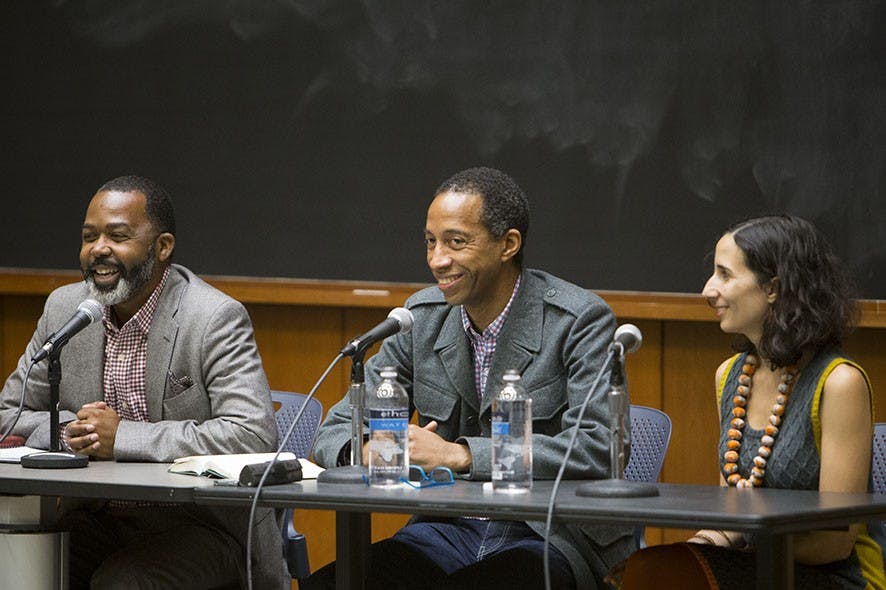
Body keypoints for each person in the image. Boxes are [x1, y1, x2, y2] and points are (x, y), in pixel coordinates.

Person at [305, 167, 634, 590]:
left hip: (545, 532)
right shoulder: (419, 319)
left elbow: (598, 447)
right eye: (431, 242)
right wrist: (372, 449)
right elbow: (334, 431)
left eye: (456, 242)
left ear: (508, 245)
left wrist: (461, 455)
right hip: (446, 528)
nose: (437, 260)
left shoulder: (577, 320)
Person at [0, 175, 288, 589]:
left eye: (117, 236)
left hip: (200, 526)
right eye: (89, 237)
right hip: (96, 517)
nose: (99, 249)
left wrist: (122, 437)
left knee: (123, 583)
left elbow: (253, 435)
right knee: (22, 566)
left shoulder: (212, 318)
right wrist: (69, 432)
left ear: (162, 246)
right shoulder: (66, 309)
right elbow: (8, 416)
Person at [617, 215, 885, 589]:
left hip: (838, 576)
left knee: (664, 573)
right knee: (648, 567)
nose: (708, 290)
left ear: (772, 287)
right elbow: (732, 519)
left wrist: (714, 557)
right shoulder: (729, 376)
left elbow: (833, 542)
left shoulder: (840, 383)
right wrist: (697, 547)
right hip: (756, 562)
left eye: (725, 275)